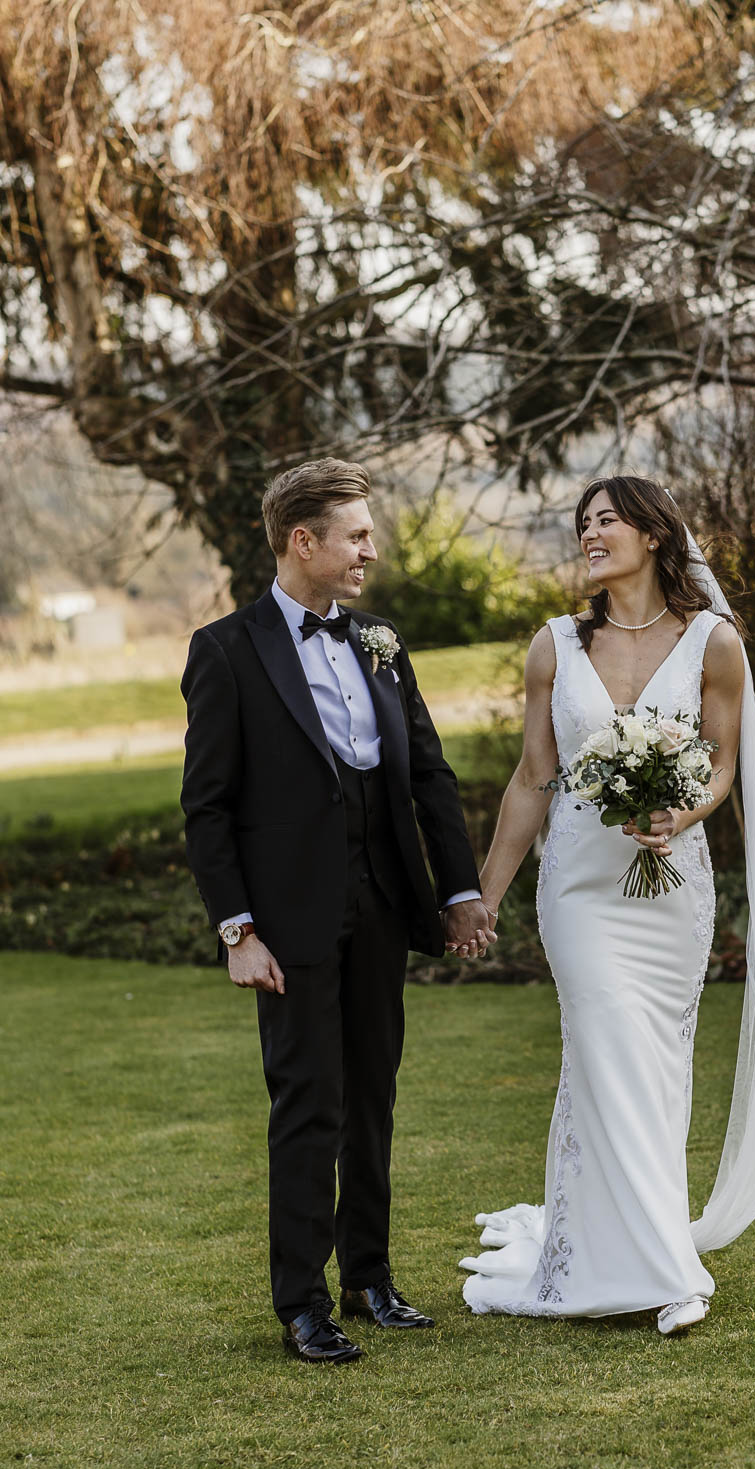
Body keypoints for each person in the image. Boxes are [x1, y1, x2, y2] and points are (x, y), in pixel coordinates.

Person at [459, 475, 755, 1335]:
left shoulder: (713, 642)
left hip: (672, 895)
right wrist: (484, 896)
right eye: (583, 524)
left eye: (606, 521)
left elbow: (724, 766)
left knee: (652, 1071)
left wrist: (680, 810)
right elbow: (531, 779)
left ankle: (612, 1249)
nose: (590, 534)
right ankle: (669, 1274)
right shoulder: (553, 646)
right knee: (608, 1040)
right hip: (580, 891)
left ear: (655, 536)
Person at [181, 458, 495, 1365]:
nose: (371, 549)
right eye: (356, 535)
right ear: (301, 541)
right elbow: (206, 807)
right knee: (307, 1103)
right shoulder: (227, 651)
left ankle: (369, 1278)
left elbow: (427, 773)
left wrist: (459, 887)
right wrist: (237, 930)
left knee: (372, 1098)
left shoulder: (380, 642)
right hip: (287, 918)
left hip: (385, 903)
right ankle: (301, 1303)